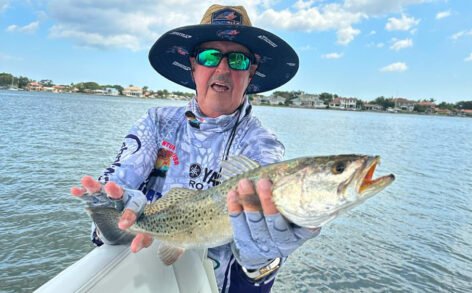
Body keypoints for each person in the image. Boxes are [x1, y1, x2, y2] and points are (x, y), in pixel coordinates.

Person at [71, 4, 319, 292]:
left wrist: (262, 261)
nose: (223, 68)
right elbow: (115, 186)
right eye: (210, 56)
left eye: (238, 60)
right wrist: (113, 212)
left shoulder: (262, 146)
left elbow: (258, 249)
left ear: (251, 73)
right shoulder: (157, 122)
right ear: (193, 65)